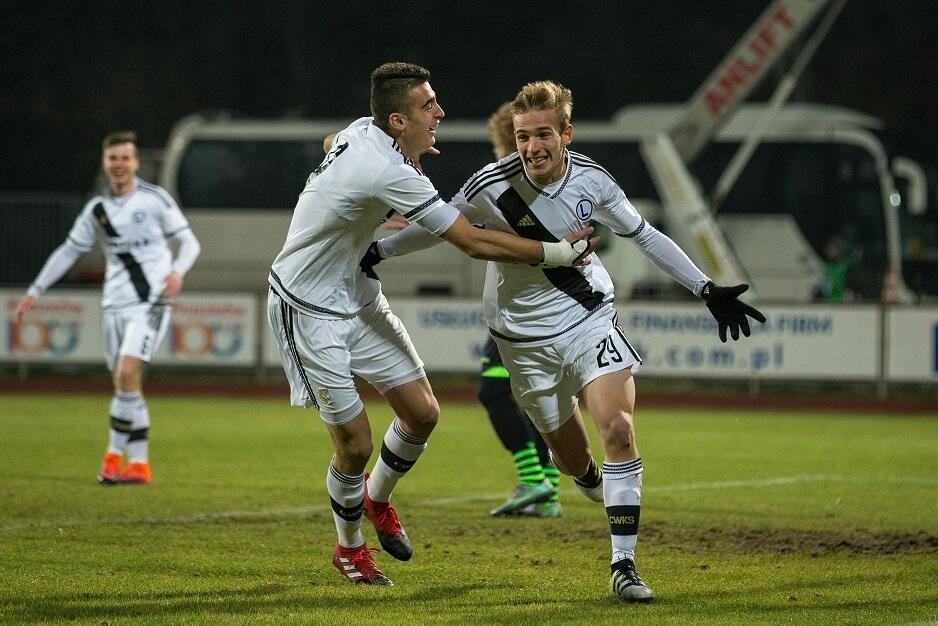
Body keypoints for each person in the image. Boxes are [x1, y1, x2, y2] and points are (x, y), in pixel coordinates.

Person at [368, 81, 765, 601]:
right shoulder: (491, 184)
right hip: (522, 342)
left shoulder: (593, 182)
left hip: (587, 316)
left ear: (566, 134)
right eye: (522, 136)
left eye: (542, 135)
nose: (531, 147)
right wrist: (381, 252)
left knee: (618, 428)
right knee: (574, 461)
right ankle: (590, 480)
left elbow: (644, 235)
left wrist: (705, 287)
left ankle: (624, 566)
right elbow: (442, 226)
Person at [266, 62, 595, 587]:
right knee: (354, 444)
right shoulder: (384, 167)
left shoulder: (363, 133)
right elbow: (468, 239)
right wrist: (555, 251)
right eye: (428, 106)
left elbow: (335, 139)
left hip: (357, 291)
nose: (440, 113)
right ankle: (349, 549)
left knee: (422, 414)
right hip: (307, 306)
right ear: (398, 120)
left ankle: (376, 500)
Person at [14, 131, 201, 486]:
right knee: (125, 386)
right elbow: (69, 251)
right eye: (112, 158)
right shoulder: (97, 210)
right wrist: (35, 290)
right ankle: (140, 465)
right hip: (113, 302)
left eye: (125, 158)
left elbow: (190, 242)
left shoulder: (154, 199)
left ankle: (112, 458)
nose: (119, 165)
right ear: (105, 163)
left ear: (135, 163)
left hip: (151, 301)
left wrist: (177, 271)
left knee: (126, 375)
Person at [481, 102, 560, 518]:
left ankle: (538, 481)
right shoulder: (510, 189)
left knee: (496, 389)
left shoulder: (535, 190)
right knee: (533, 397)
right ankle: (546, 491)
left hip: (534, 311)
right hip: (515, 310)